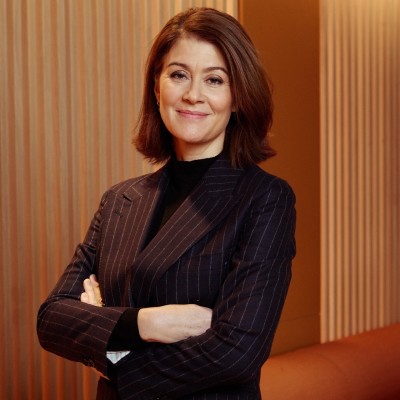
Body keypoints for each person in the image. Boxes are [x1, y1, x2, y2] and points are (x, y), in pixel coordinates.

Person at [37, 7, 296, 399]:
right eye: (178, 75)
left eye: (214, 79)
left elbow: (236, 352)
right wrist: (146, 323)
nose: (193, 94)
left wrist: (112, 349)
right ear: (157, 88)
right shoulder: (120, 200)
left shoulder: (265, 199)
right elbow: (52, 318)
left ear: (237, 97)